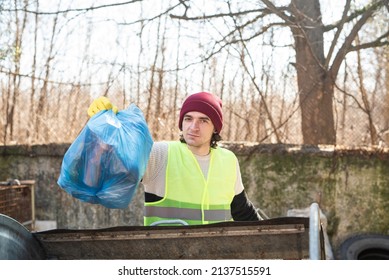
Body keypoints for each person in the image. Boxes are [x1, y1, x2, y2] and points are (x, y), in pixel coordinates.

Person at [87, 92, 265, 226]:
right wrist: (105, 130)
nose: (193, 127)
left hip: (216, 259)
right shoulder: (160, 153)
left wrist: (273, 238)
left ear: (215, 129)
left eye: (203, 120)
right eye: (188, 119)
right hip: (167, 261)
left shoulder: (228, 160)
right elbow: (108, 171)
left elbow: (242, 211)